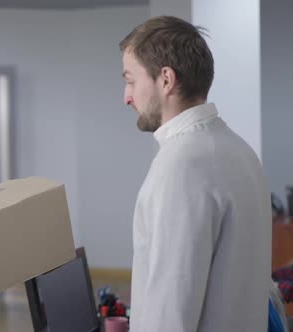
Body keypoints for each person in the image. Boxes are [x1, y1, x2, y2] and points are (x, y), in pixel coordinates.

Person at [120, 16, 271, 331]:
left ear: (165, 80)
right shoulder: (237, 149)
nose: (127, 96)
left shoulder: (181, 166)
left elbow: (170, 315)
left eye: (131, 80)